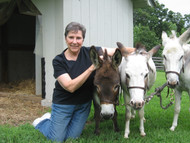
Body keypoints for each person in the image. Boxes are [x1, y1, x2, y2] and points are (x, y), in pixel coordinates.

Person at [32, 22, 134, 142]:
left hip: (83, 107)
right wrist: (92, 67)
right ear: (65, 38)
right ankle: (43, 121)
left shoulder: (90, 51)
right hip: (63, 105)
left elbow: (122, 50)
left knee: (71, 137)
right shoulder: (59, 61)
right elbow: (70, 87)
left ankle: (58, 123)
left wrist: (141, 53)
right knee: (57, 139)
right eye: (71, 37)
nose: (74, 42)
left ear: (83, 39)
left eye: (78, 38)